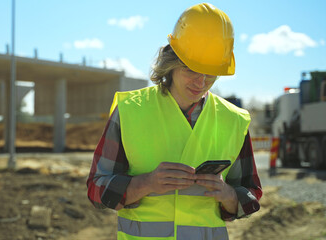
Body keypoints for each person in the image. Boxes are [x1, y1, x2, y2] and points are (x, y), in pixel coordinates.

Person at [87, 3, 262, 240]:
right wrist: (146, 183)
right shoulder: (130, 111)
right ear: (171, 61)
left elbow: (251, 196)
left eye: (210, 73)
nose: (200, 83)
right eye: (191, 69)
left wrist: (228, 194)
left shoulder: (234, 120)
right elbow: (96, 189)